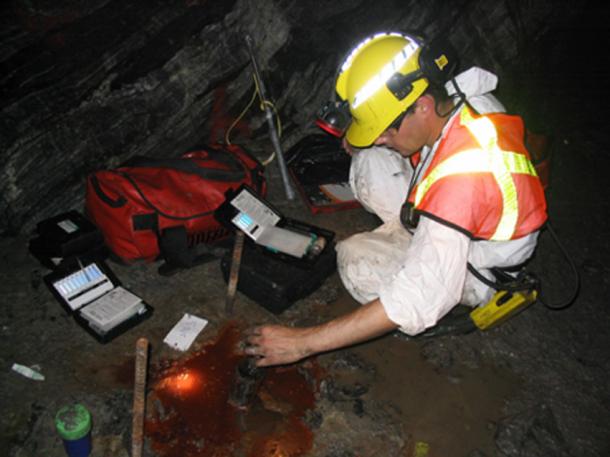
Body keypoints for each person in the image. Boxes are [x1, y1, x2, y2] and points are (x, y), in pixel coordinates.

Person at [245, 32, 547, 367]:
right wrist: (367, 137)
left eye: (387, 129)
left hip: (481, 263)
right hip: (464, 214)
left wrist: (302, 342)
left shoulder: (461, 180)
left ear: (423, 106)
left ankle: (455, 304)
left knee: (356, 260)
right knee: (368, 159)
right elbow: (401, 142)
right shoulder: (458, 95)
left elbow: (414, 296)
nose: (382, 138)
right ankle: (417, 242)